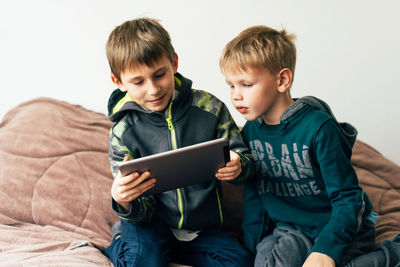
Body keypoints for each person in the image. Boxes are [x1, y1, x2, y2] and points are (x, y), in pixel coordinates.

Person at [219, 25, 381, 267]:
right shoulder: (251, 132)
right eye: (232, 85)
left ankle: (392, 251)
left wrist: (326, 250)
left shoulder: (319, 129)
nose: (236, 96)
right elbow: (254, 197)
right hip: (291, 231)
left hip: (336, 226)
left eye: (246, 85)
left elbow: (348, 198)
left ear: (282, 80)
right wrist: (250, 247)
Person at [102, 17, 253, 267]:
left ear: (173, 62)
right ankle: (125, 243)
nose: (153, 89)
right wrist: (123, 200)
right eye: (138, 82)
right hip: (149, 225)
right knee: (142, 258)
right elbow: (136, 203)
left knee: (239, 261)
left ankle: (168, 254)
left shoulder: (210, 109)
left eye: (159, 75)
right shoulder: (123, 131)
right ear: (118, 82)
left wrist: (239, 167)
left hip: (200, 229)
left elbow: (244, 160)